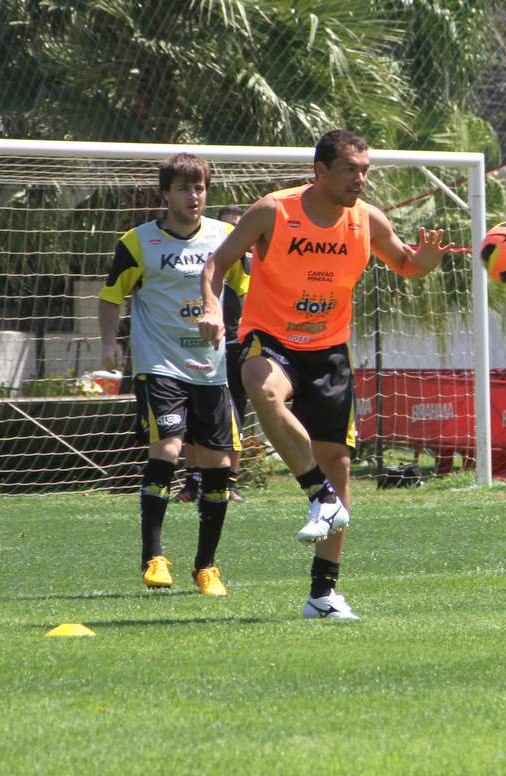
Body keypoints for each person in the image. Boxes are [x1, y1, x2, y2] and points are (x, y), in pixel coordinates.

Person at [198, 129, 449, 619]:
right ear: (320, 171)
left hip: (330, 349)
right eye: (350, 169)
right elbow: (218, 263)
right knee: (260, 385)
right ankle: (320, 494)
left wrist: (424, 263)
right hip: (272, 338)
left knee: (339, 462)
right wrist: (210, 306)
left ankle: (323, 594)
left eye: (365, 170)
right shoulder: (273, 211)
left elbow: (405, 263)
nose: (360, 179)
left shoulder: (367, 220)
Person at [99, 154, 249, 596]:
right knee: (168, 446)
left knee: (218, 463)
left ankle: (206, 567)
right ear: (166, 193)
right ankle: (153, 557)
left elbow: (247, 290)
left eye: (199, 187)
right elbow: (111, 296)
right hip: (159, 363)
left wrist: (246, 332)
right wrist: (108, 343)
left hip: (211, 367)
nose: (194, 196)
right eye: (184, 188)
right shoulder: (138, 241)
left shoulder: (225, 238)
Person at [176, 204, 251, 503]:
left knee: (235, 414)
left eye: (239, 227)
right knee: (196, 414)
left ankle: (230, 483)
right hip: (202, 345)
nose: (234, 233)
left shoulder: (247, 263)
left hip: (236, 345)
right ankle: (192, 482)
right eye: (228, 226)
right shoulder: (205, 264)